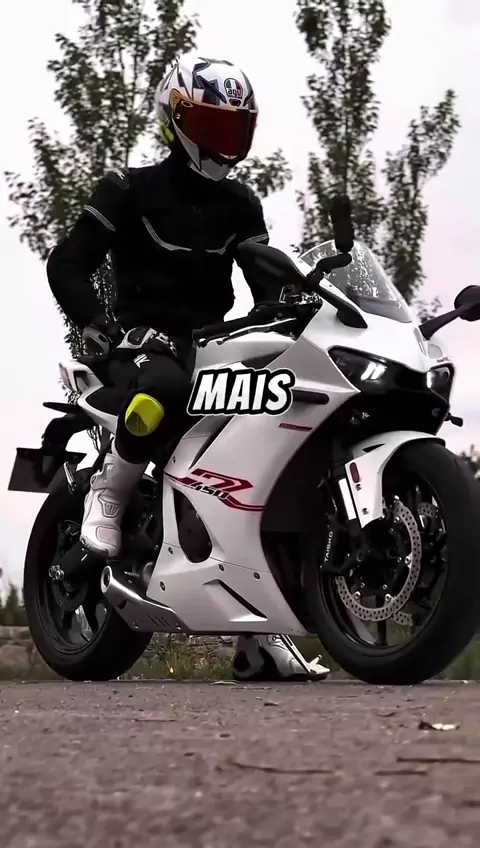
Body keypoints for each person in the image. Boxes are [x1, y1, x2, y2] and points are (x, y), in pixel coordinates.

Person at [46, 52, 330, 683]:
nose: (225, 141)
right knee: (164, 387)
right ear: (175, 121)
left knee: (271, 433)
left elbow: (263, 279)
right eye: (211, 124)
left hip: (211, 344)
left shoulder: (241, 203)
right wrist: (96, 324)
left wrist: (297, 307)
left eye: (236, 127)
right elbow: (65, 264)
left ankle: (259, 630)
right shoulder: (127, 189)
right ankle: (109, 493)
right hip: (136, 343)